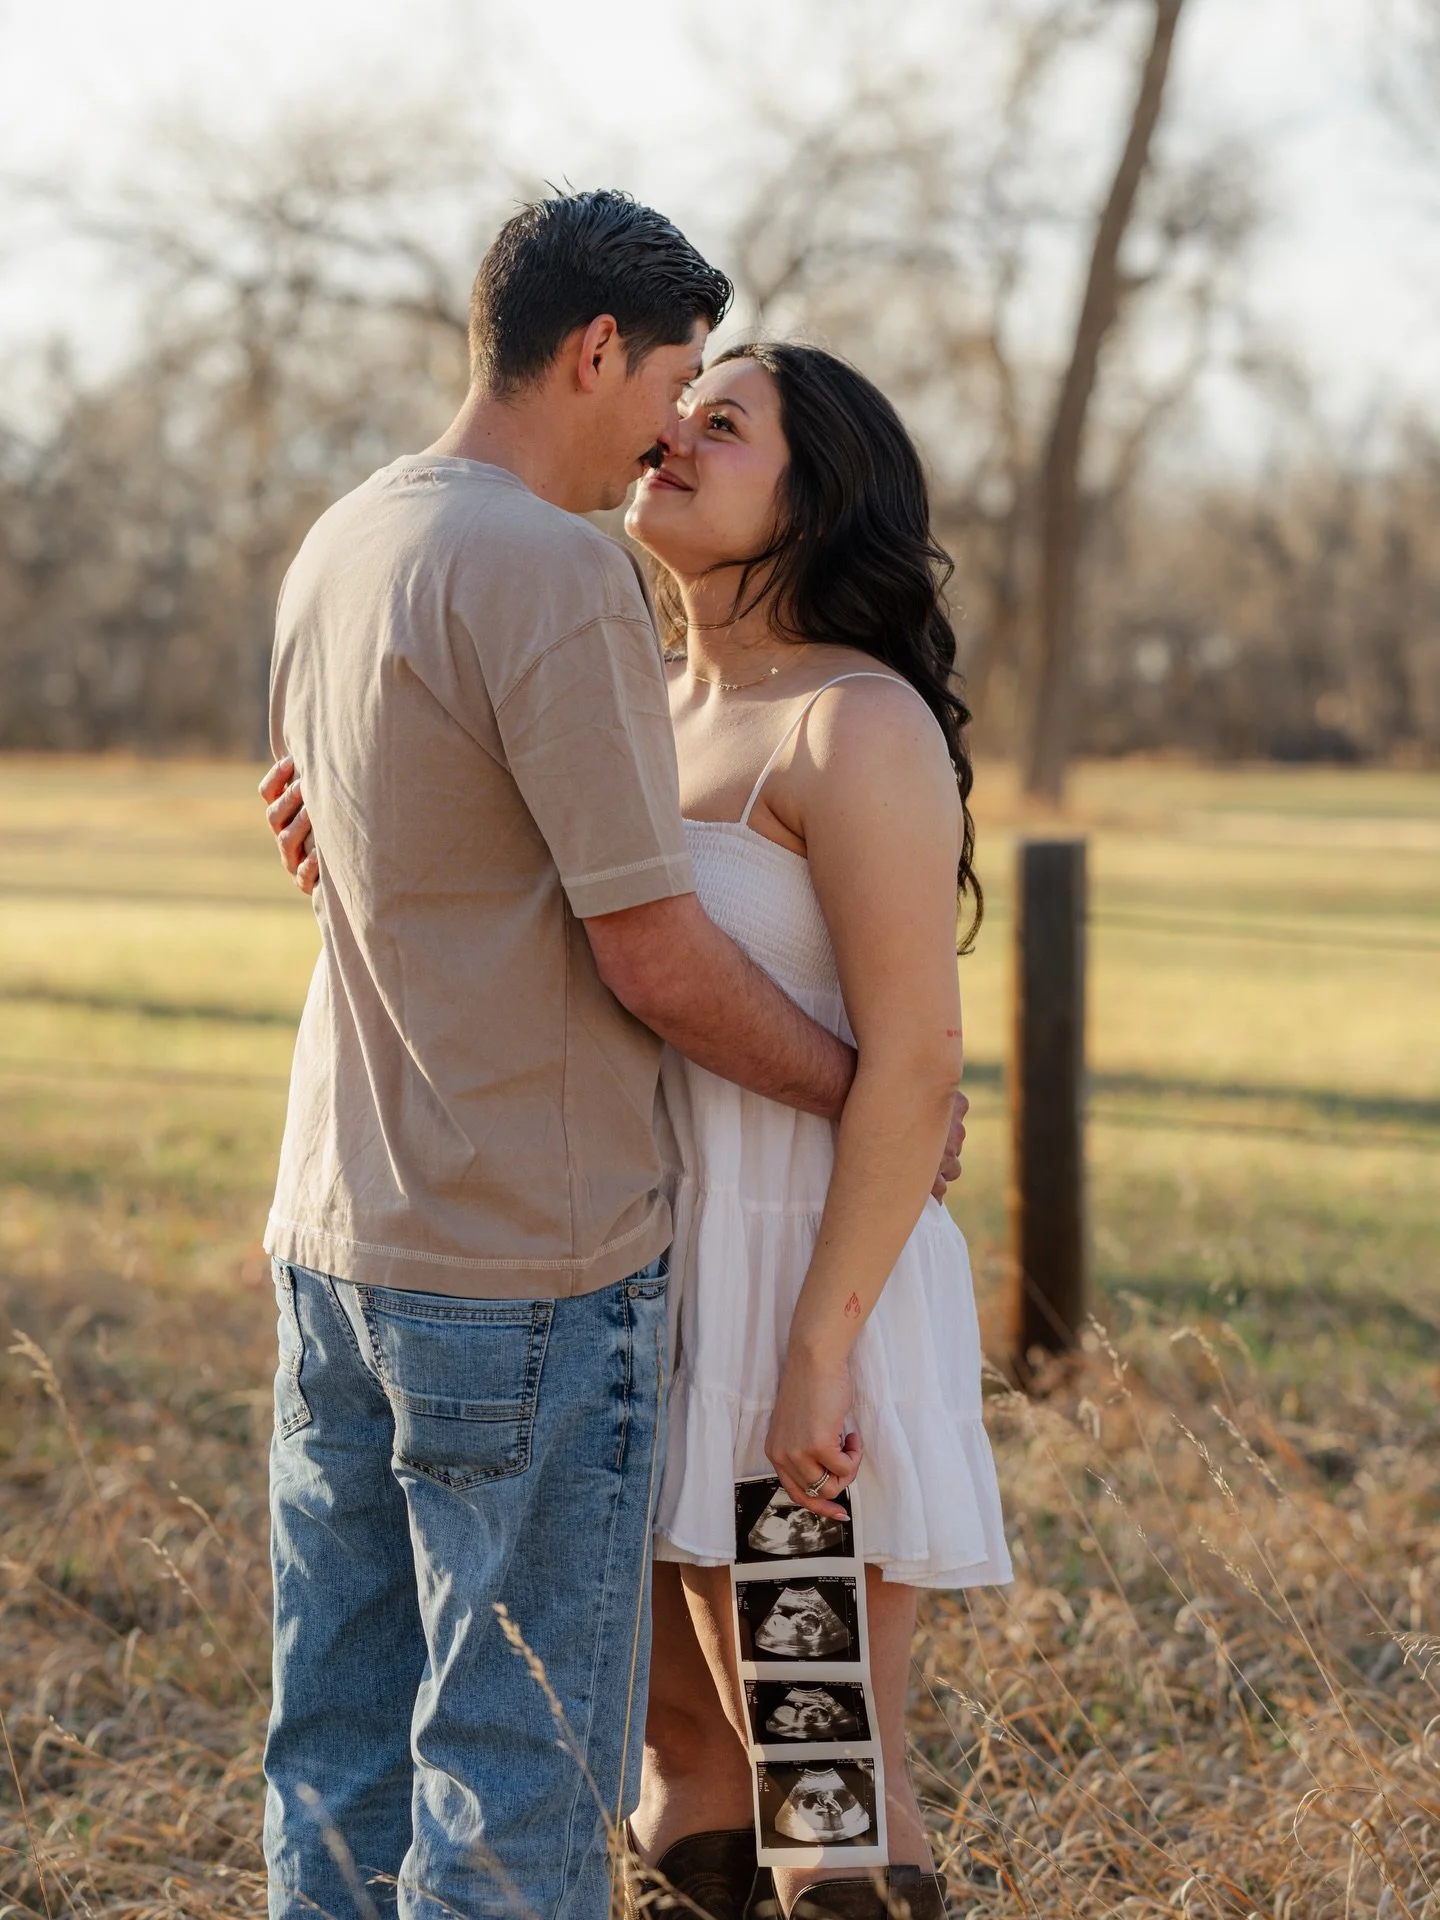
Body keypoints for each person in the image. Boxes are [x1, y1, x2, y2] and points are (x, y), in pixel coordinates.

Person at [266, 337, 1007, 1920]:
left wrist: (821, 1347)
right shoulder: (630, 694)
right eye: (677, 412)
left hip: (807, 1287)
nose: (672, 438)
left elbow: (921, 1059)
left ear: (819, 497)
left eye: (723, 426)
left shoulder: (850, 726)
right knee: (680, 1755)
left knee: (824, 1773)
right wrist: (351, 822)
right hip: (628, 1286)